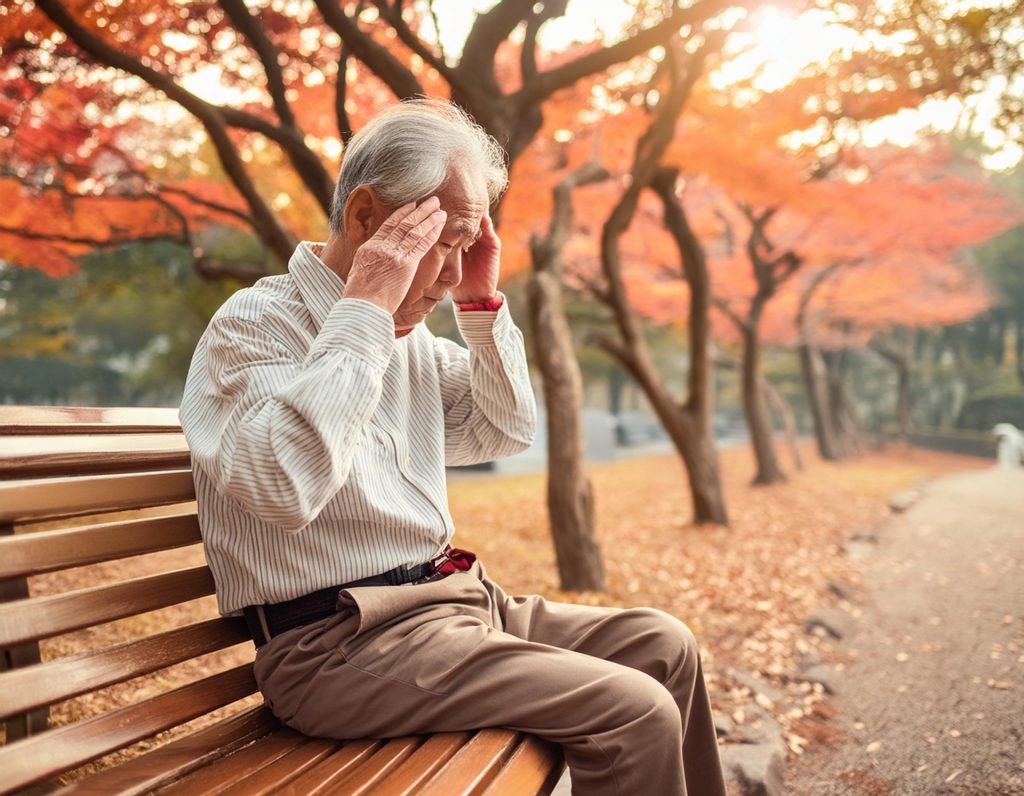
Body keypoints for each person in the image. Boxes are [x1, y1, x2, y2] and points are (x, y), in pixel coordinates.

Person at [179, 98, 727, 796]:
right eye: (445, 239)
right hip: (337, 647)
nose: (449, 272)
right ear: (366, 218)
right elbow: (282, 485)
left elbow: (499, 431)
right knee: (633, 711)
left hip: (453, 608)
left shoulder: (408, 341)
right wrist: (368, 308)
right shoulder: (254, 325)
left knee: (663, 645)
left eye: (468, 242)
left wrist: (477, 306)